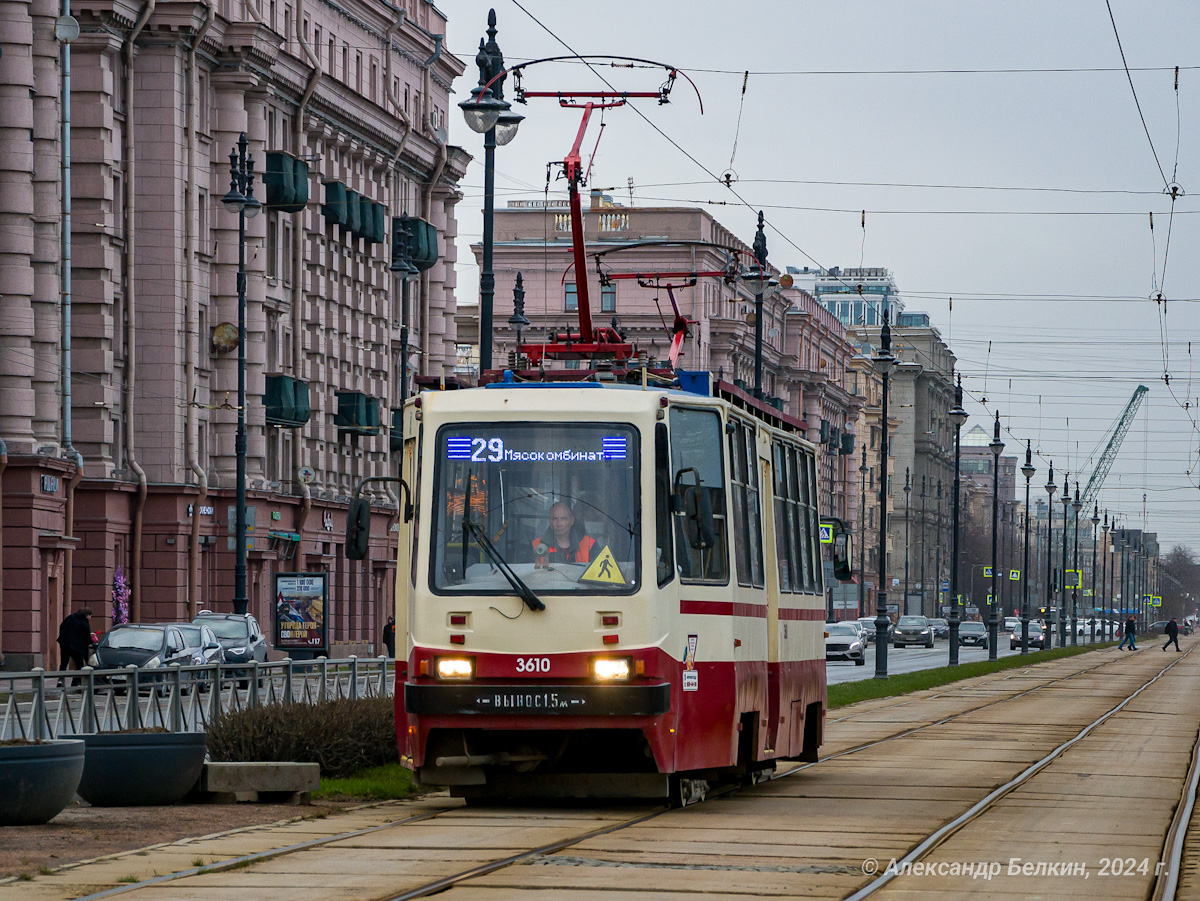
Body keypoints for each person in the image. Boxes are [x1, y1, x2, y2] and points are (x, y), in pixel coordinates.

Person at [56, 607, 95, 685]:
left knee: (63, 663)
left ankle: (60, 680)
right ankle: (75, 681)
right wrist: (90, 642)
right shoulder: (84, 622)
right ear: (87, 615)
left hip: (65, 644)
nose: (90, 618)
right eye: (90, 616)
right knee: (79, 664)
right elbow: (86, 635)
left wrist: (63, 637)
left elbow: (61, 626)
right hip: (76, 647)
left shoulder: (70, 617)